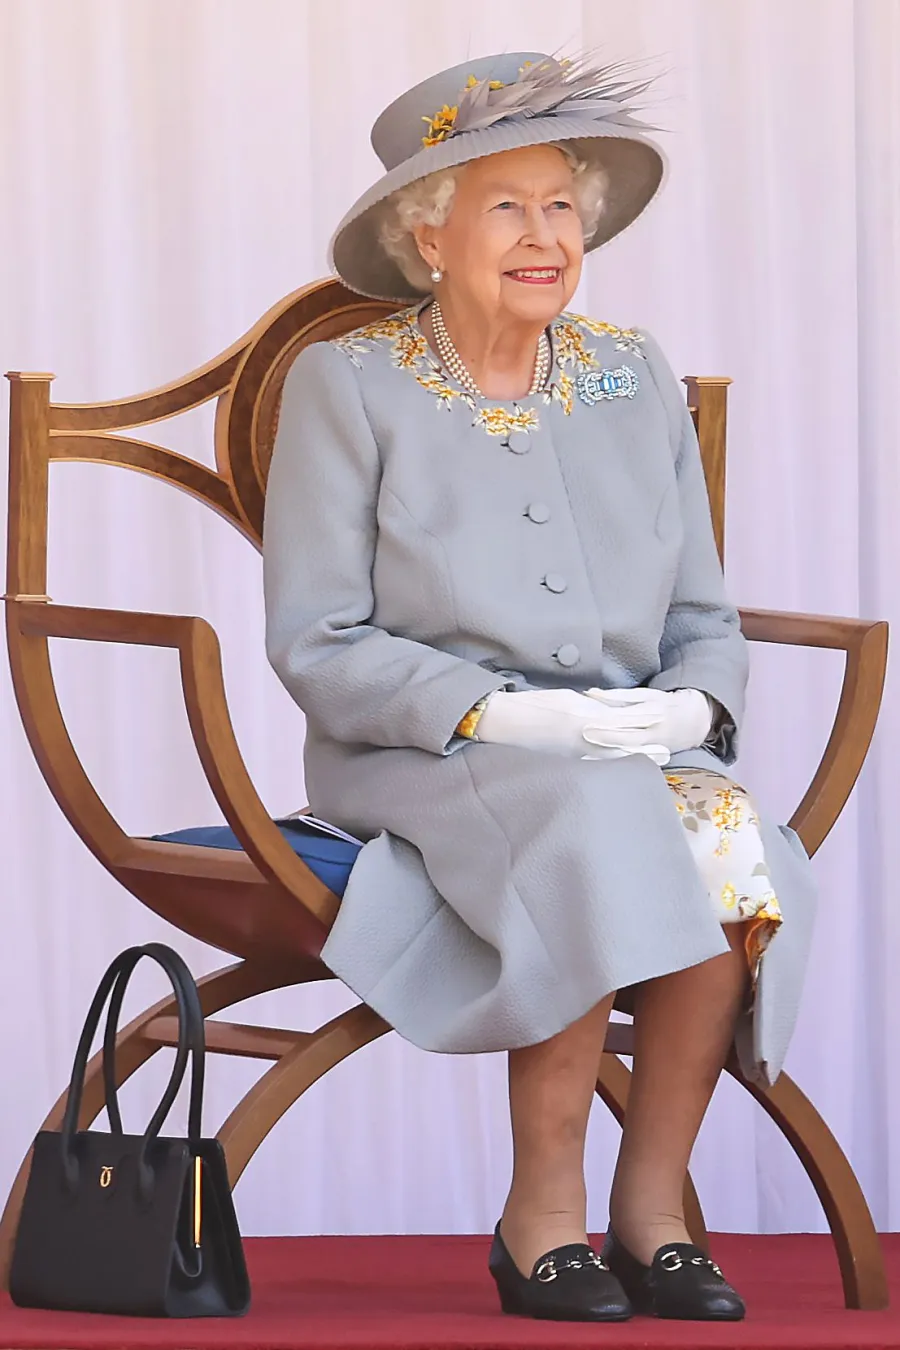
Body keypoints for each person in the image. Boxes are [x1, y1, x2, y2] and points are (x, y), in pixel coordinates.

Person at [263, 51, 816, 1323]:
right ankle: (540, 1219)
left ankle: (654, 1213)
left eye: (562, 205)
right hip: (424, 756)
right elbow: (318, 639)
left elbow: (703, 613)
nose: (544, 235)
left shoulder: (632, 374)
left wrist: (692, 708)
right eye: (505, 205)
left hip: (625, 746)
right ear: (428, 233)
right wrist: (503, 714)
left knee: (731, 842)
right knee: (598, 827)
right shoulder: (347, 387)